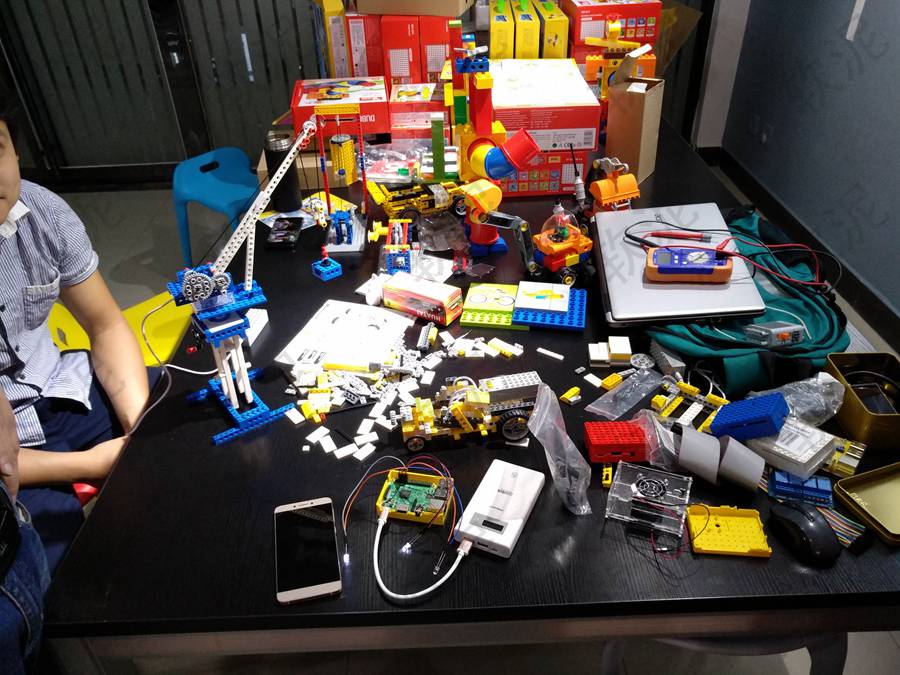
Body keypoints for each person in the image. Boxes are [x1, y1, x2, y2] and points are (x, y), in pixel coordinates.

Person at [0, 93, 150, 573]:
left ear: (14, 148)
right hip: (11, 451)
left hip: (62, 388)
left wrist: (139, 425)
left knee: (189, 419)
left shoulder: (42, 211)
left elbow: (105, 324)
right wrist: (92, 464)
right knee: (43, 581)